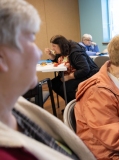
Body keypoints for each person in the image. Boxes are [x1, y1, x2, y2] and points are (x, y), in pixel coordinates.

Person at [0, 0, 95, 159]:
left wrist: (70, 76)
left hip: (87, 77)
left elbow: (84, 69)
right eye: (30, 40)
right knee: (57, 83)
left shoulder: (15, 109)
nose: (38, 53)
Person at [45, 35, 99, 103]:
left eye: (54, 46)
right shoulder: (63, 50)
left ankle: (78, 106)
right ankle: (69, 104)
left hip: (88, 74)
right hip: (75, 72)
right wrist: (51, 55)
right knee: (53, 83)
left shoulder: (75, 52)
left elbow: (85, 69)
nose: (52, 48)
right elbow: (58, 60)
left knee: (66, 88)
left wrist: (69, 77)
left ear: (61, 46)